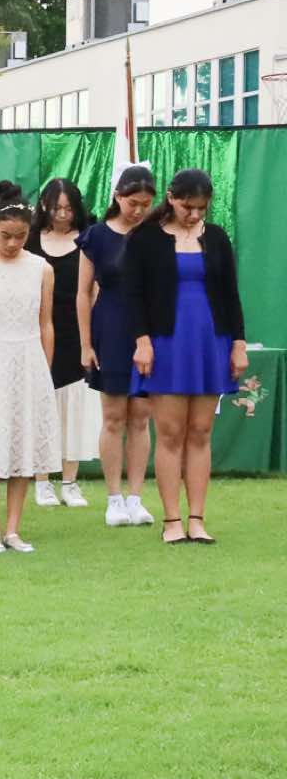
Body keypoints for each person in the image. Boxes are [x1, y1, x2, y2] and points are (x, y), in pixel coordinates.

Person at [125, 168, 246, 546]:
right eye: (187, 207)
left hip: (211, 341)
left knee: (201, 432)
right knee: (170, 433)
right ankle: (172, 520)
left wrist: (238, 344)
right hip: (166, 343)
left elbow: (231, 294)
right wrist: (142, 341)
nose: (194, 215)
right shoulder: (145, 237)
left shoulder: (218, 238)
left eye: (201, 208)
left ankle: (197, 519)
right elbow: (134, 295)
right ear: (171, 198)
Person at [0, 183, 61, 554]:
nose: (13, 243)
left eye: (21, 236)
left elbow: (46, 323)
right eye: (6, 236)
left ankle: (13, 529)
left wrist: (44, 371)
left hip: (29, 360)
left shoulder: (42, 269)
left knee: (23, 445)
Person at [79, 165, 158, 528]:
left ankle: (136, 498)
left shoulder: (156, 235)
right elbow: (83, 294)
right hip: (109, 328)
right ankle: (113, 499)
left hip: (150, 332)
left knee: (141, 417)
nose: (138, 210)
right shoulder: (96, 235)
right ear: (117, 196)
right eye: (132, 202)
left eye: (145, 204)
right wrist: (86, 344)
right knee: (113, 417)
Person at [27, 179, 97, 509]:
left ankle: (70, 482)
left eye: (69, 209)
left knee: (75, 409)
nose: (63, 215)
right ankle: (41, 481)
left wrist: (89, 336)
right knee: (42, 406)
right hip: (36, 331)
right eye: (57, 209)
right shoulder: (30, 239)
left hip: (76, 330)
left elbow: (93, 289)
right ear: (45, 207)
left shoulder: (87, 239)